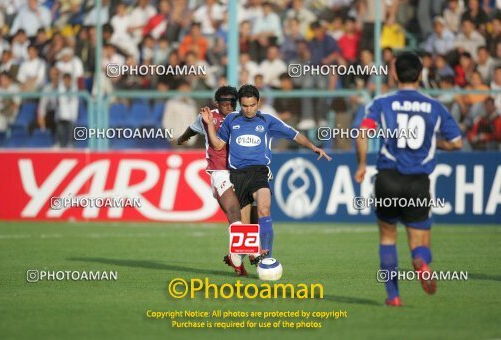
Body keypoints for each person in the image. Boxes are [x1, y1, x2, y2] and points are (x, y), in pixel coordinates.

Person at [354, 52, 463, 307]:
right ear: (421, 74)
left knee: (387, 237)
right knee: (420, 242)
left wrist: (361, 164)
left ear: (393, 74)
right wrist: (434, 142)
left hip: (388, 178)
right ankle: (420, 260)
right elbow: (457, 142)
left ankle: (393, 297)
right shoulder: (435, 106)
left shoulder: (381, 103)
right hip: (417, 182)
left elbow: (363, 132)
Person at [202, 84, 331, 260]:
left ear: (259, 102)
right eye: (245, 106)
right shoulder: (231, 120)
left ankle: (267, 255)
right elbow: (217, 145)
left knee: (264, 208)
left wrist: (313, 147)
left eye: (253, 105)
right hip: (237, 175)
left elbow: (293, 134)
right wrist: (209, 125)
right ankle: (249, 256)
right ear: (240, 104)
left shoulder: (267, 120)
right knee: (245, 225)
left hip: (259, 172)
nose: (249, 110)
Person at [176, 86, 264, 276]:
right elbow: (191, 130)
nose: (228, 106)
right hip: (220, 172)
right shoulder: (208, 117)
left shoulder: (243, 117)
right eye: (224, 103)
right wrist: (181, 139)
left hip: (242, 172)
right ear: (217, 103)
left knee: (250, 216)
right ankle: (248, 253)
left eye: (232, 102)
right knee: (234, 212)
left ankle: (238, 256)